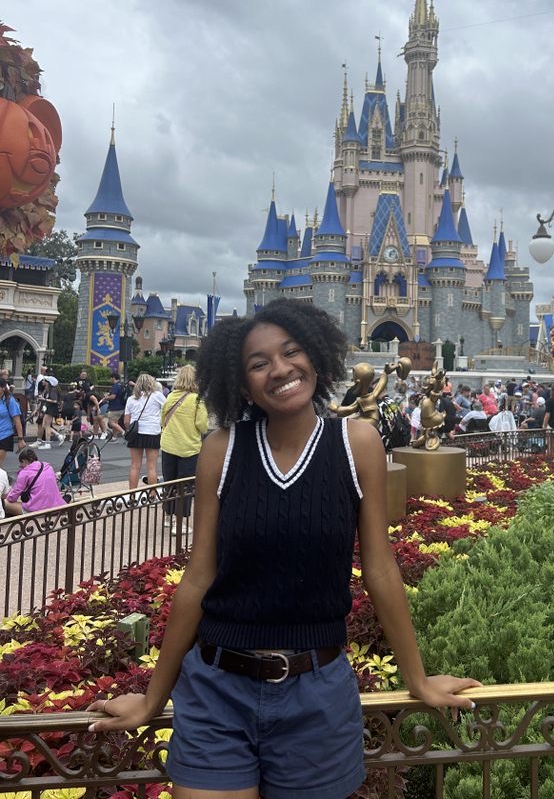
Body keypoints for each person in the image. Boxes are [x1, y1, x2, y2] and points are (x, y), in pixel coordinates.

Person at [88, 299, 477, 798]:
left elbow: (380, 569)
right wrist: (151, 698)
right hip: (217, 689)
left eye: (291, 351)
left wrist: (417, 679)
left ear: (315, 354)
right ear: (241, 381)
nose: (280, 369)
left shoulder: (356, 443)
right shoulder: (222, 450)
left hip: (316, 692)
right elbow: (198, 578)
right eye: (259, 363)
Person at [160, 364, 209, 523]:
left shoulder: (171, 396)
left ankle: (168, 517)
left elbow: (162, 421)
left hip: (168, 445)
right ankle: (179, 522)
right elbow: (202, 425)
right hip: (189, 448)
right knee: (185, 485)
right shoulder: (197, 400)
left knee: (170, 481)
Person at [125, 373, 166, 491]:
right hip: (152, 432)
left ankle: (132, 496)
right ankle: (152, 496)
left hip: (136, 434)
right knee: (151, 467)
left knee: (134, 466)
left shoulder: (131, 399)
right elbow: (167, 409)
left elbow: (126, 421)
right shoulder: (157, 395)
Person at [3, 447, 65, 517]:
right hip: (57, 506)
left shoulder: (25, 472)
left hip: (39, 510)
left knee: (4, 503)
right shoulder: (48, 467)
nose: (20, 467)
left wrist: (6, 495)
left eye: (21, 464)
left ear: (24, 461)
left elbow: (13, 497)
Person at [0, 374, 26, 468]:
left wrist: (20, 439)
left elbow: (17, 421)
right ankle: (5, 479)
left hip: (5, 435)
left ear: (3, 388)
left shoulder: (10, 401)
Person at [103, 373, 127, 440]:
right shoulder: (122, 385)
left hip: (115, 407)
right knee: (115, 422)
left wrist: (106, 397)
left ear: (113, 378)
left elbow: (113, 396)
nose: (110, 380)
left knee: (111, 423)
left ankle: (123, 432)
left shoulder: (115, 386)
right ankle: (114, 437)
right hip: (121, 406)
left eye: (110, 378)